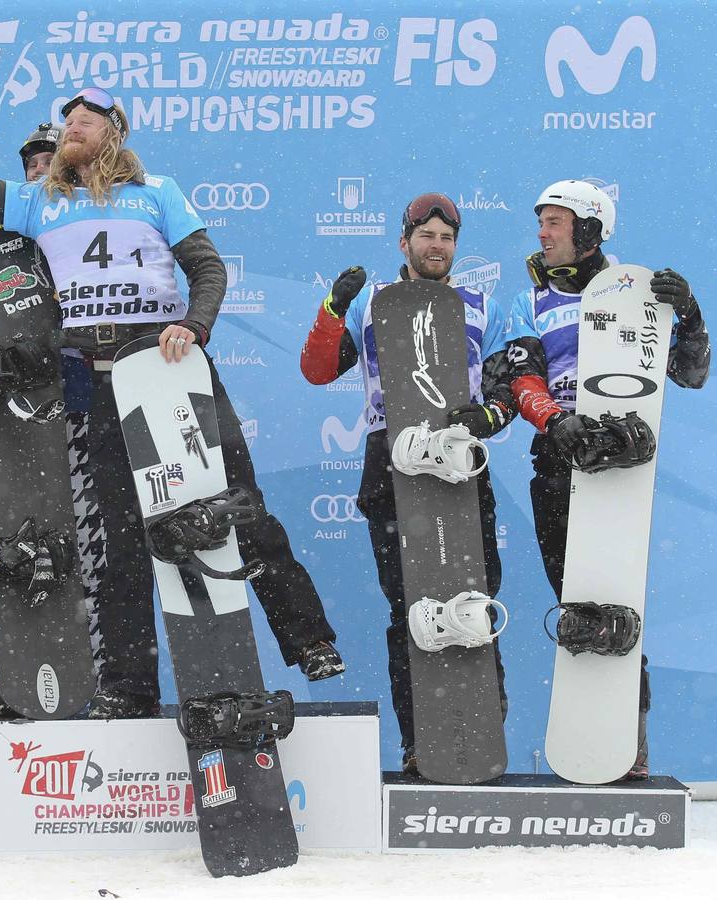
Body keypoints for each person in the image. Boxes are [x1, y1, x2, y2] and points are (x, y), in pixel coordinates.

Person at [0, 78, 345, 718]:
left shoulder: (157, 193)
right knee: (120, 544)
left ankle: (310, 639)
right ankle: (128, 686)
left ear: (113, 131)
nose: (71, 126)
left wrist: (195, 326)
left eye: (85, 119)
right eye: (65, 120)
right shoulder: (40, 201)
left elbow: (207, 268)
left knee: (237, 507)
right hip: (99, 380)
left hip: (170, 366)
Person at [504, 179, 711, 780]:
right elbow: (521, 379)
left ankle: (631, 750)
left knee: (619, 605)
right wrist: (555, 420)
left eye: (554, 222)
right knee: (580, 609)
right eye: (540, 222)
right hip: (558, 462)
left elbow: (691, 374)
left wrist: (690, 314)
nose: (542, 233)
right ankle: (593, 736)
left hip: (621, 468)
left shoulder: (638, 294)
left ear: (589, 229)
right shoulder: (530, 302)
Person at [300, 193, 512, 774]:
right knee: (411, 608)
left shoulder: (481, 306)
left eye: (447, 238)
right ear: (404, 243)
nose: (437, 246)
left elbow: (506, 387)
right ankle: (420, 741)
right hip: (389, 459)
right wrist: (331, 306)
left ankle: (483, 723)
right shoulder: (375, 303)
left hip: (460, 465)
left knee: (472, 602)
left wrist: (487, 415)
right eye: (426, 237)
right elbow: (317, 370)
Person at [0, 121, 108, 718]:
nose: (39, 169)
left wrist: (54, 338)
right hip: (10, 421)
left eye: (49, 160)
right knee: (12, 541)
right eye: (30, 161)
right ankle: (8, 678)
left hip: (81, 404)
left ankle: (99, 677)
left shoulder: (93, 225)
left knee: (92, 546)